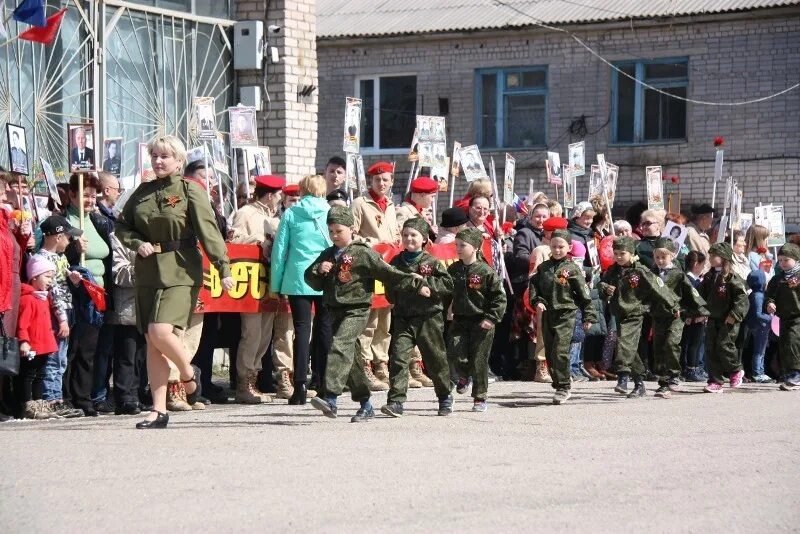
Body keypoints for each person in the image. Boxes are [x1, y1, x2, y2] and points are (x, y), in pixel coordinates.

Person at [115, 135, 233, 429]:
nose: (158, 161)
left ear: (179, 161)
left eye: (165, 156)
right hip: (148, 272)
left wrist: (223, 268)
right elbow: (122, 225)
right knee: (153, 342)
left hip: (181, 270)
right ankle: (158, 410)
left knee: (160, 330)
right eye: (154, 155)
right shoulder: (141, 192)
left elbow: (209, 232)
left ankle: (188, 374)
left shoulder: (189, 190)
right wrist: (136, 242)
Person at [304, 206, 423, 422]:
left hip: (356, 310)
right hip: (334, 310)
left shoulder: (363, 252)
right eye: (331, 231)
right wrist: (318, 270)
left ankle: (330, 397)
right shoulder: (328, 254)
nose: (334, 236)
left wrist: (413, 281)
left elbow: (388, 273)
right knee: (352, 360)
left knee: (339, 345)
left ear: (352, 229)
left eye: (339, 231)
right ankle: (365, 404)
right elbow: (310, 280)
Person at [382, 217, 454, 417]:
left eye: (413, 235)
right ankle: (396, 401)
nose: (408, 239)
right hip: (403, 317)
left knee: (435, 359)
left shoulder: (431, 262)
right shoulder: (396, 262)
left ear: (423, 239)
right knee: (398, 357)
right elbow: (389, 287)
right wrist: (399, 289)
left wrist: (429, 287)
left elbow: (447, 285)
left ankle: (445, 396)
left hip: (428, 318)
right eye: (405, 235)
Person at [271, 174, 331, 404]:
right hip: (325, 277)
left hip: (297, 278)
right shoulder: (331, 212)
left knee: (301, 331)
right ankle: (325, 383)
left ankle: (300, 387)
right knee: (325, 330)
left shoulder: (291, 214)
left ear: (303, 190)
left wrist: (276, 284)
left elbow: (280, 251)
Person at [600, 236, 679, 398]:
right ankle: (639, 383)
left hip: (636, 313)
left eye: (623, 253)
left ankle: (622, 377)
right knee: (630, 348)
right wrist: (605, 288)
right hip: (619, 313)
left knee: (623, 343)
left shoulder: (641, 270)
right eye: (616, 253)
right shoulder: (612, 271)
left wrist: (673, 304)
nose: (619, 257)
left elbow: (659, 288)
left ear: (632, 253)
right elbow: (601, 283)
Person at [230, 174, 284, 404]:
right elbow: (233, 240)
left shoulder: (273, 217)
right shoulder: (245, 213)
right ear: (270, 195)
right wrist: (258, 240)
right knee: (251, 333)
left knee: (265, 332)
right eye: (278, 195)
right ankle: (244, 382)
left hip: (269, 282)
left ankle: (254, 377)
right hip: (249, 282)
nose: (280, 200)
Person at [64, 173, 113, 416]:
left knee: (91, 349)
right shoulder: (63, 221)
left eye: (94, 195)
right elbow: (50, 256)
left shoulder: (98, 221)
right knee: (74, 348)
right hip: (77, 292)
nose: (90, 199)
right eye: (84, 195)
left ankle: (86, 396)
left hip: (98, 293)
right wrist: (74, 250)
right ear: (72, 194)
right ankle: (70, 397)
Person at [528, 229, 596, 404]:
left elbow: (584, 295)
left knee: (560, 351)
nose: (557, 250)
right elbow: (535, 288)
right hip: (548, 314)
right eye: (554, 246)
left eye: (561, 247)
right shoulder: (543, 268)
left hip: (567, 314)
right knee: (550, 352)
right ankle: (558, 383)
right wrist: (537, 301)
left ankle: (564, 386)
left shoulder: (572, 269)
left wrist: (589, 316)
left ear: (569, 247)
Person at [350, 161, 400, 391]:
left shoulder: (390, 205)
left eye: (386, 180)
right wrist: (375, 244)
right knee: (369, 322)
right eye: (377, 179)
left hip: (388, 269)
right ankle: (365, 364)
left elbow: (395, 233)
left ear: (391, 182)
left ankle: (382, 363)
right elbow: (351, 234)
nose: (382, 183)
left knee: (385, 321)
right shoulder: (361, 203)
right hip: (369, 267)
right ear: (370, 181)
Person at [447, 228, 507, 412]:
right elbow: (445, 291)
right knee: (457, 352)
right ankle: (464, 375)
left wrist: (491, 318)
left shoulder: (485, 271)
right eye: (456, 245)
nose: (458, 249)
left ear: (475, 247)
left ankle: (480, 397)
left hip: (482, 321)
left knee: (479, 359)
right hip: (460, 320)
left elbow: (499, 298)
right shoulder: (453, 269)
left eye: (462, 245)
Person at [32, 215, 84, 418]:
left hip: (66, 310)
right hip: (55, 314)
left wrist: (73, 279)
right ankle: (51, 399)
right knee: (54, 360)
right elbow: (54, 291)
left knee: (62, 359)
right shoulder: (44, 259)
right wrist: (62, 318)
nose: (70, 241)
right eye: (68, 237)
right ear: (57, 236)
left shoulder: (60, 258)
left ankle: (57, 397)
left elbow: (63, 284)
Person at [650, 238, 708, 398]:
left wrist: (700, 310)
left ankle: (674, 375)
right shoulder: (651, 273)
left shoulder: (678, 274)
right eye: (657, 257)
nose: (660, 261)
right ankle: (663, 381)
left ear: (672, 256)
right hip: (658, 315)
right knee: (659, 347)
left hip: (676, 315)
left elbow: (690, 293)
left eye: (664, 257)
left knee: (671, 343)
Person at [697, 242, 749, 393]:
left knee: (725, 345)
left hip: (728, 319)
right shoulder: (708, 277)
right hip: (713, 318)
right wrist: (697, 312)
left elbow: (742, 299)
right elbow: (700, 297)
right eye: (710, 255)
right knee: (710, 348)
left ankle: (736, 370)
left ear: (724, 258)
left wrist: (735, 314)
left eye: (715, 256)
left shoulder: (732, 278)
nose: (711, 258)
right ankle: (715, 381)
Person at [16, 256, 60, 419]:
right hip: (32, 346)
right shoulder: (28, 299)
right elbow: (23, 324)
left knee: (41, 374)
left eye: (52, 277)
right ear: (34, 277)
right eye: (47, 277)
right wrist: (24, 341)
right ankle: (27, 404)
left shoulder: (43, 298)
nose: (50, 281)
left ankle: (39, 403)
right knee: (28, 375)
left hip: (43, 346)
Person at [765, 243, 800, 391]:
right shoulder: (777, 279)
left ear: (796, 259)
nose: (783, 263)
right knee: (785, 346)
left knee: (793, 343)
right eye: (780, 260)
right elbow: (770, 296)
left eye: (786, 260)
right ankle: (788, 374)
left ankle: (796, 374)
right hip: (783, 319)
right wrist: (769, 304)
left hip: (798, 317)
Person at [682, 250, 709, 382]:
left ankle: (695, 367)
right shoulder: (689, 280)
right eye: (702, 265)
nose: (703, 268)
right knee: (691, 343)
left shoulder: (696, 279)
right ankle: (690, 369)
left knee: (697, 343)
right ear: (696, 264)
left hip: (699, 316)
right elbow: (691, 299)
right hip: (693, 317)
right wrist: (697, 314)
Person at [744, 270, 773, 383]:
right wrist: (771, 319)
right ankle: (757, 373)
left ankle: (760, 371)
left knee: (760, 351)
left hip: (758, 325)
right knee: (759, 351)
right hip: (760, 326)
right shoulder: (758, 296)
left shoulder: (754, 294)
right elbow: (758, 314)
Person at [685, 204, 715, 273]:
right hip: (698, 275)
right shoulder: (691, 232)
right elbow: (695, 257)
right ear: (704, 218)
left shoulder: (703, 234)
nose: (712, 220)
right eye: (711, 217)